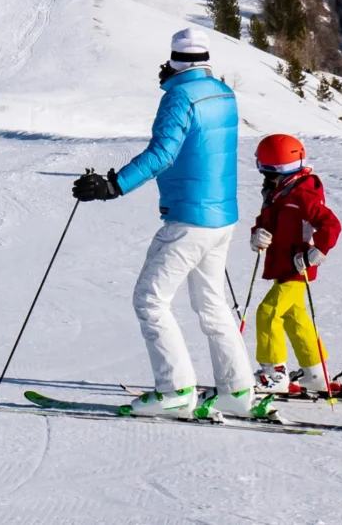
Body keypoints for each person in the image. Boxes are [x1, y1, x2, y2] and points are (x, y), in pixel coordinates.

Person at [72, 27, 256, 420]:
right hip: (221, 217)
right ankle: (237, 390)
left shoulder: (179, 97)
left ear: (173, 59)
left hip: (189, 218)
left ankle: (174, 390)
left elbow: (163, 154)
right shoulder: (224, 93)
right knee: (211, 304)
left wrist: (113, 185)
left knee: (150, 299)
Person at [249, 133, 342, 396]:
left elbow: (331, 225)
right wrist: (258, 234)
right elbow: (267, 220)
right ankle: (315, 374)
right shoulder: (279, 191)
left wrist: (319, 250)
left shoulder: (302, 194)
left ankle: (273, 374)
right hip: (282, 266)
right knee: (295, 318)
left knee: (267, 312)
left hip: (296, 268)